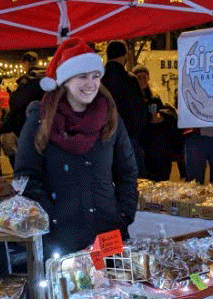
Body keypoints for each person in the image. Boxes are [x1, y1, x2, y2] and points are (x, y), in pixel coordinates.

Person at [16, 37, 139, 258]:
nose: (91, 84)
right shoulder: (40, 120)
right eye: (82, 76)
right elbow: (25, 179)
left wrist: (123, 214)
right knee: (68, 291)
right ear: (65, 80)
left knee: (113, 291)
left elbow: (127, 171)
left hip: (107, 232)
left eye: (95, 76)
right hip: (59, 238)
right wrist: (51, 217)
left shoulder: (110, 117)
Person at [102, 41, 148, 178]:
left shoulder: (99, 80)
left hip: (104, 140)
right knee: (133, 182)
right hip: (128, 139)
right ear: (124, 56)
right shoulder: (130, 81)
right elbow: (139, 112)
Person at [0, 51, 46, 168]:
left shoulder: (27, 82)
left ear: (25, 63)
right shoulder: (48, 79)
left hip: (27, 126)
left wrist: (2, 128)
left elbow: (16, 105)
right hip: (47, 126)